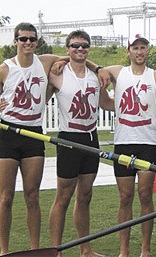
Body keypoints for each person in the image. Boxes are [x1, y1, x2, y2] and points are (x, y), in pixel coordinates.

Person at [0, 22, 107, 255]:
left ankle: (36, 250)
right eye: (23, 39)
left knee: (32, 195)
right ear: (15, 41)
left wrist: (98, 69)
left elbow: (79, 58)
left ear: (37, 41)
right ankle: (4, 251)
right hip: (9, 134)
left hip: (34, 133)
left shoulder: (45, 62)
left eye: (32, 39)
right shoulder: (2, 70)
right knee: (6, 197)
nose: (28, 43)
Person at [47, 30, 113, 257]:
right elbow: (41, 58)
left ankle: (86, 249)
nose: (80, 49)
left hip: (91, 137)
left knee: (85, 195)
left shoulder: (96, 76)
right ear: (67, 49)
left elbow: (106, 104)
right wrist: (61, 60)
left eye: (84, 45)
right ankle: (56, 250)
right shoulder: (57, 72)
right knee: (63, 196)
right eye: (75, 45)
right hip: (69, 138)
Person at [103, 34, 156, 257]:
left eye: (143, 48)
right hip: (124, 141)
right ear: (128, 51)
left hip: (147, 142)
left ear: (147, 51)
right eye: (135, 48)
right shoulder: (119, 72)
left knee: (145, 194)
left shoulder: (155, 75)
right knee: (125, 196)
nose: (139, 52)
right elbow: (97, 68)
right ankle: (124, 249)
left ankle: (145, 249)